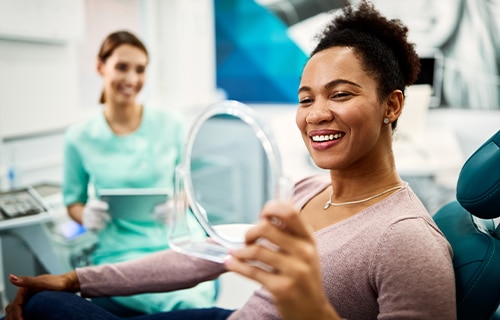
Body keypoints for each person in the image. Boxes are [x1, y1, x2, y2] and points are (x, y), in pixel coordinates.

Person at [4, 2, 456, 319]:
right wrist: (76, 279)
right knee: (47, 302)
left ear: (392, 106)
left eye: (340, 94)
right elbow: (203, 260)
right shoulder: (306, 191)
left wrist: (310, 310)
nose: (316, 114)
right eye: (305, 98)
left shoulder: (408, 244)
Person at [58, 30, 216, 315]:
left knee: (192, 301)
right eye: (122, 67)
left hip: (175, 242)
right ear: (100, 67)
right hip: (118, 250)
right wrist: (87, 215)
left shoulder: (170, 125)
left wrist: (177, 207)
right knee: (174, 304)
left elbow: (188, 190)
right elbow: (73, 202)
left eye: (140, 70)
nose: (132, 79)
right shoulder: (79, 137)